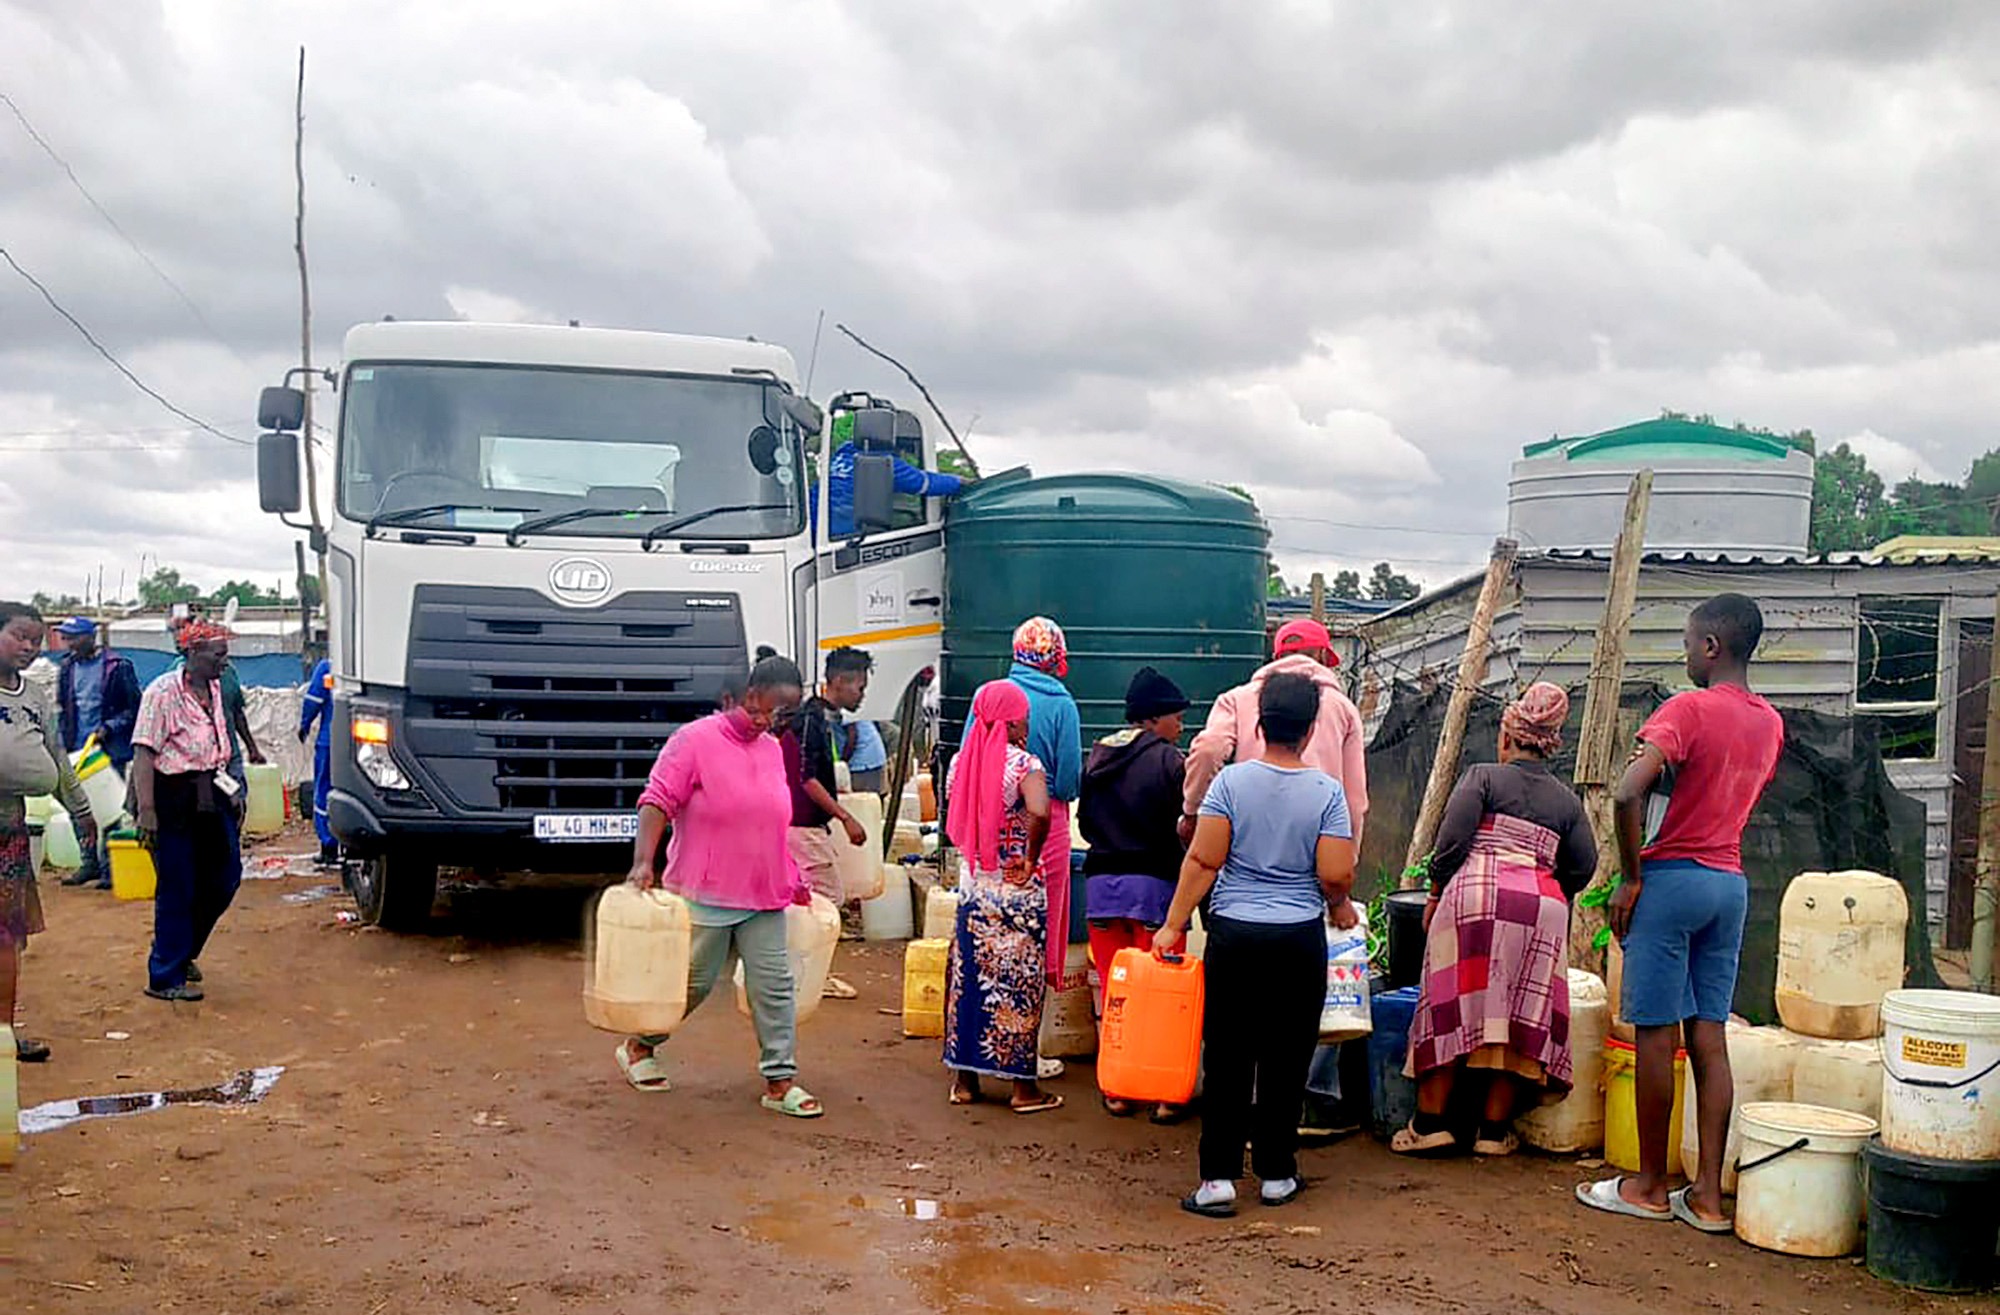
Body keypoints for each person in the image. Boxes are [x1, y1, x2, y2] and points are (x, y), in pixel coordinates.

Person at [1577, 594, 1783, 1232]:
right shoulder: (1769, 723)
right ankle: (1708, 1199)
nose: (1686, 654)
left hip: (1672, 882)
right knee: (1708, 1038)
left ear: (1712, 646)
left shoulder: (1688, 709)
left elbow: (1627, 792)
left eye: (1690, 643)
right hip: (1729, 885)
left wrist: (1631, 877)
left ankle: (1646, 1186)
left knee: (1655, 1033)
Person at [1155, 672, 1356, 1217]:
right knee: (1288, 1056)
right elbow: (1335, 874)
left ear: (1260, 724)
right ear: (1310, 730)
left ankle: (1217, 1180)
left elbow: (1203, 860)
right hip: (1297, 939)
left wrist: (1173, 925)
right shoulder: (1327, 793)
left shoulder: (1229, 785)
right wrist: (1339, 904)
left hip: (1235, 936)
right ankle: (1277, 1174)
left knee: (1227, 1055)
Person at [615, 654, 824, 1119]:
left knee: (774, 987)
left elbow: (771, 822)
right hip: (706, 889)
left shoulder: (771, 749)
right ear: (747, 696)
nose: (773, 721)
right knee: (692, 983)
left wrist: (792, 876)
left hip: (764, 892)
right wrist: (643, 862)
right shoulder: (694, 741)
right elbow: (656, 801)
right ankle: (640, 1044)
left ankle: (780, 1080)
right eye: (769, 709)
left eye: (785, 714)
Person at [1184, 618, 1368, 1138]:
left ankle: (1228, 1139)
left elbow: (1206, 753)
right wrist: (1341, 890)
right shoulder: (1342, 710)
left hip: (1236, 897)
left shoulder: (1237, 702)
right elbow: (1355, 802)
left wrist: (1194, 811)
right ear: (1324, 658)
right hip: (1308, 893)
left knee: (1232, 1028)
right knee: (1299, 1023)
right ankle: (1298, 1119)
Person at [1395, 683, 1597, 1157]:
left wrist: (1436, 891)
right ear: (1551, 744)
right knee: (1518, 1015)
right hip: (1541, 908)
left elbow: (1451, 841)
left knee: (1449, 1005)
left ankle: (1430, 1125)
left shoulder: (1482, 777)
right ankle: (1491, 1132)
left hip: (1474, 897)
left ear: (1507, 737)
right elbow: (1583, 866)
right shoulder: (1566, 802)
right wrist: (1543, 886)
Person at [942, 680, 1061, 1113]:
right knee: (1019, 983)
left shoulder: (961, 762)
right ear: (1010, 722)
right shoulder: (1025, 763)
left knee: (968, 979)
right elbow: (1041, 810)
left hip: (974, 888)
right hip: (1016, 890)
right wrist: (1029, 858)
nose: (1027, 723)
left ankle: (965, 1082)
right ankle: (1023, 1090)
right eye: (1023, 717)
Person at [1079, 666, 1190, 1120]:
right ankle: (1164, 1095)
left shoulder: (1098, 755)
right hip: (1154, 892)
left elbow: (1085, 823)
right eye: (1176, 718)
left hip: (1101, 890)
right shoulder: (1170, 762)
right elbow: (1186, 825)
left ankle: (1118, 1088)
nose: (1180, 726)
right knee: (1163, 991)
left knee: (1116, 991)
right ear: (1154, 718)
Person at [0, 602, 98, 1062]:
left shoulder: (34, 696)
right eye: (19, 636)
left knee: (6, 936)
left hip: (9, 831)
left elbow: (57, 758)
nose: (29, 647)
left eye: (36, 640)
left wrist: (82, 811)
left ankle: (4, 1034)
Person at [132, 618, 243, 1003]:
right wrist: (146, 810)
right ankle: (164, 977)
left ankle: (182, 949)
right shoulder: (161, 692)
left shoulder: (216, 688)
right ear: (193, 652)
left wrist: (233, 791)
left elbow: (217, 745)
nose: (225, 662)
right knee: (178, 885)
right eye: (218, 655)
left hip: (213, 792)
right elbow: (144, 752)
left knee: (226, 877)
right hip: (173, 796)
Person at [780, 646, 873, 997]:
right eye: (859, 687)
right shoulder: (811, 721)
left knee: (813, 898)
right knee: (826, 898)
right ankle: (812, 976)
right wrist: (845, 817)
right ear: (839, 681)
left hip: (805, 825)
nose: (861, 695)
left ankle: (804, 973)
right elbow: (806, 778)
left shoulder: (818, 718)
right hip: (802, 826)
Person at [53, 616, 139, 889]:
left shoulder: (118, 666)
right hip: (77, 750)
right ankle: (88, 862)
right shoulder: (67, 667)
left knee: (109, 807)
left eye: (74, 637)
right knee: (77, 808)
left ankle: (110, 868)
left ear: (91, 637)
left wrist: (109, 728)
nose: (69, 643)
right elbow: (63, 707)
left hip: (107, 751)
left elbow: (133, 709)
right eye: (66, 638)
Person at [822, 425, 968, 539]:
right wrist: (958, 481)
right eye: (904, 451)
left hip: (820, 524)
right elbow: (923, 482)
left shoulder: (844, 454)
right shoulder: (884, 462)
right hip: (843, 531)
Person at [298, 657, 336, 868]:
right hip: (361, 743)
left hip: (329, 742)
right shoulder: (366, 665)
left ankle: (329, 846)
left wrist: (304, 725)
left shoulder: (327, 667)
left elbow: (313, 700)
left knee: (324, 791)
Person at [841, 714, 889, 795]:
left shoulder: (844, 710)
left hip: (863, 762)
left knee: (862, 799)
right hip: (874, 757)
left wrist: (842, 762)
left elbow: (853, 736)